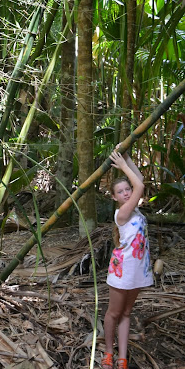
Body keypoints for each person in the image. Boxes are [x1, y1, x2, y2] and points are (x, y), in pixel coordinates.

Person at [102, 147, 153, 369]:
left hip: (138, 270)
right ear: (114, 197)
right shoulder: (121, 214)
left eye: (127, 189)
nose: (126, 193)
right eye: (120, 191)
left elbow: (139, 180)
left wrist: (126, 156)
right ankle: (107, 352)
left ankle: (122, 357)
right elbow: (139, 186)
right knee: (113, 312)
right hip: (122, 270)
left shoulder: (137, 211)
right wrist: (122, 167)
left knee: (126, 313)